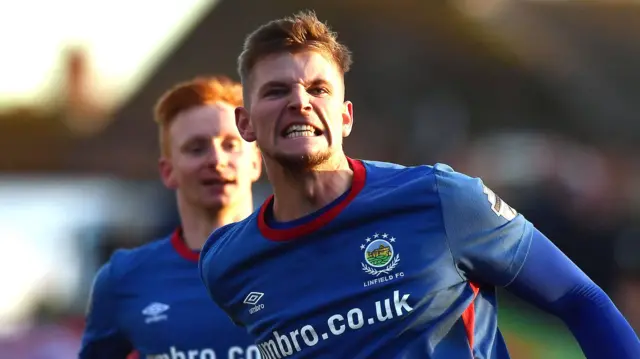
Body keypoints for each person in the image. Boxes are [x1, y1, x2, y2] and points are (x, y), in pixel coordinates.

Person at [198, 11, 640, 359]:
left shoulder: (440, 199)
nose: (300, 102)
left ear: (346, 116)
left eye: (318, 89)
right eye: (276, 92)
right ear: (246, 123)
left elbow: (580, 299)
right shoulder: (226, 264)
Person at [80, 76, 262, 359]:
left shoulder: (299, 260)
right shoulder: (124, 279)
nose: (216, 159)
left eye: (230, 145)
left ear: (255, 162)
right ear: (168, 172)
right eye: (196, 148)